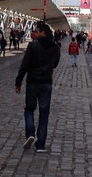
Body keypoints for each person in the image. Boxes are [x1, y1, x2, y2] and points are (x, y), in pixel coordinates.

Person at [15, 22, 61, 152]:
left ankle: (30, 134)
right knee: (44, 113)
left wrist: (18, 82)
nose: (35, 33)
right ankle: (41, 144)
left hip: (32, 82)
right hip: (46, 83)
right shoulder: (55, 48)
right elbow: (55, 64)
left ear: (43, 33)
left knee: (29, 109)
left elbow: (25, 65)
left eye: (37, 31)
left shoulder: (33, 46)